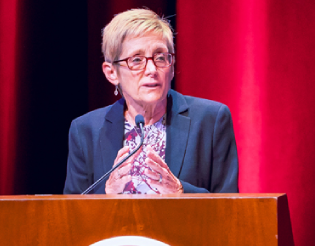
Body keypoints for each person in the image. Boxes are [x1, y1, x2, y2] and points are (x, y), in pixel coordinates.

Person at [64, 8, 238, 194]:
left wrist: (180, 191)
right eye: (137, 60)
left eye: (161, 58)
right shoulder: (85, 131)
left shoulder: (211, 121)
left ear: (171, 68)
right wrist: (106, 195)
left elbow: (230, 209)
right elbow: (71, 215)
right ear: (111, 73)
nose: (152, 69)